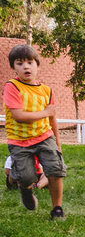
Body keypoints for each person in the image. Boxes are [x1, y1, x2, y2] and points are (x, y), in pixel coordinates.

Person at [4, 44, 66, 219]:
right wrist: (46, 112)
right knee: (26, 177)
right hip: (19, 141)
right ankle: (25, 189)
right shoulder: (12, 87)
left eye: (30, 62)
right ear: (13, 67)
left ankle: (57, 209)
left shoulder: (46, 90)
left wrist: (58, 144)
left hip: (44, 137)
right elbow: (18, 115)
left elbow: (52, 119)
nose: (26, 66)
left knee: (55, 170)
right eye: (20, 63)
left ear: (37, 65)